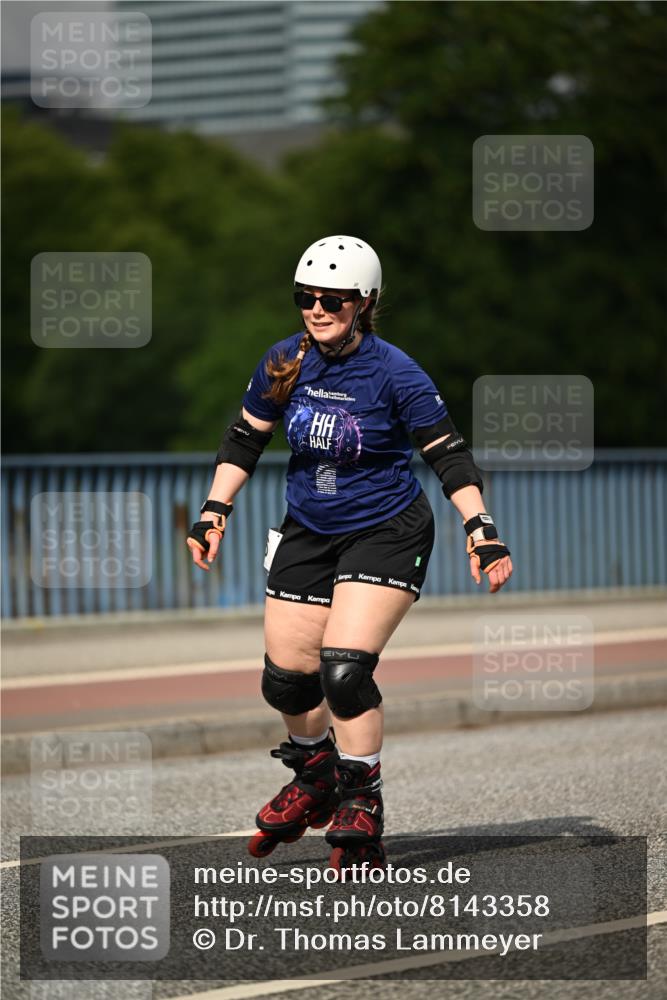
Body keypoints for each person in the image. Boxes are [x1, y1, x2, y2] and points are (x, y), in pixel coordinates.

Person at [187, 235, 512, 874]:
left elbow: (447, 455)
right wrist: (213, 511)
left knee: (343, 671)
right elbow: (245, 438)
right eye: (305, 298)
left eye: (331, 300)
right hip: (308, 528)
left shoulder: (397, 372)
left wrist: (482, 527)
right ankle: (315, 775)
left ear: (363, 302)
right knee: (283, 680)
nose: (315, 309)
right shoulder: (283, 360)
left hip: (388, 528)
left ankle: (361, 800)